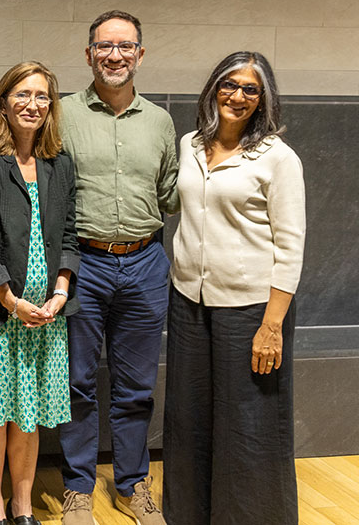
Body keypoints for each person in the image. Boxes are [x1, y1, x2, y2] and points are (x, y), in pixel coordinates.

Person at [164, 52, 305, 525]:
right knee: (190, 423)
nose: (237, 96)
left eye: (250, 89)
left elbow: (290, 245)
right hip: (188, 302)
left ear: (263, 99)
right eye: (229, 84)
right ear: (213, 88)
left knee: (249, 429)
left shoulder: (278, 158)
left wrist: (272, 326)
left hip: (250, 310)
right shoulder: (189, 144)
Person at [57, 10, 178, 525]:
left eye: (125, 46)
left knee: (137, 386)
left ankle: (133, 486)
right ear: (88, 55)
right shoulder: (60, 114)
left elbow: (171, 193)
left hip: (146, 262)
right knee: (78, 383)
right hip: (83, 262)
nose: (114, 55)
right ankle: (79, 489)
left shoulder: (160, 120)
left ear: (140, 54)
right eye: (104, 47)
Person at [0, 62, 79, 525]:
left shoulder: (59, 163)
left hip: (46, 313)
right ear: (3, 102)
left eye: (42, 96)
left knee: (28, 414)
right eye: (22, 95)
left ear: (51, 106)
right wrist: (10, 301)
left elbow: (70, 232)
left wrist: (61, 289)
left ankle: (23, 506)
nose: (32, 104)